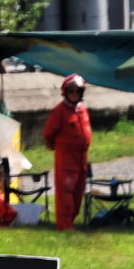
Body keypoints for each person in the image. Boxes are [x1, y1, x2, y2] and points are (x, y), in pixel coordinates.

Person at [43, 74, 92, 231]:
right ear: (66, 92)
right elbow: (48, 134)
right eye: (71, 91)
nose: (74, 94)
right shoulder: (59, 111)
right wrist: (56, 147)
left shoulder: (82, 110)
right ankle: (64, 225)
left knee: (78, 191)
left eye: (77, 91)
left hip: (81, 157)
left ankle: (70, 221)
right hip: (66, 157)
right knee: (66, 190)